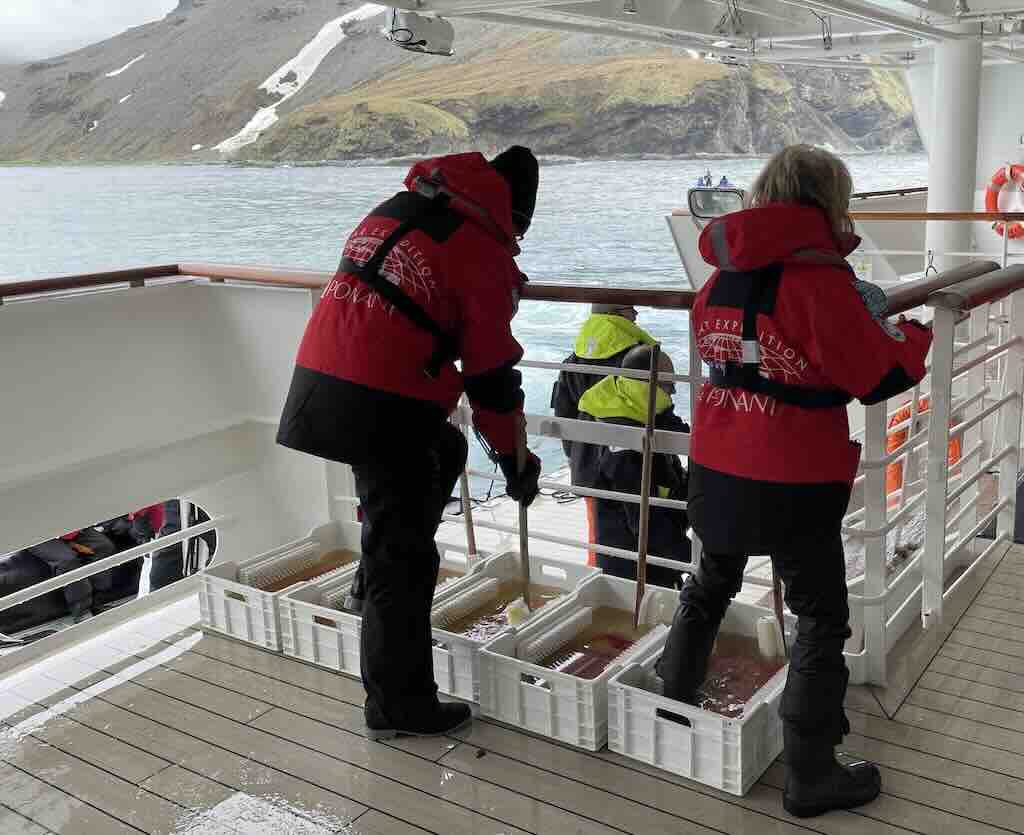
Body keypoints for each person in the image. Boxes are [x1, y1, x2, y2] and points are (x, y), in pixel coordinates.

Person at [656, 145, 931, 818]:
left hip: (717, 468)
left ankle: (671, 711)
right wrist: (913, 336)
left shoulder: (715, 280)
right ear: (827, 200)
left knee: (709, 582)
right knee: (820, 618)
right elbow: (880, 376)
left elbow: (724, 353)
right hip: (793, 481)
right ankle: (810, 774)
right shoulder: (818, 280)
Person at [277, 148, 542, 740]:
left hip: (323, 384)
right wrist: (515, 460)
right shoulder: (481, 250)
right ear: (513, 211)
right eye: (521, 226)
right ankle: (399, 706)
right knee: (406, 558)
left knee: (441, 456)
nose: (518, 237)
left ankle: (367, 588)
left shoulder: (397, 208)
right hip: (380, 401)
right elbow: (493, 378)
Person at [578, 344, 691, 587]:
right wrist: (696, 561)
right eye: (669, 384)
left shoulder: (641, 411)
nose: (672, 393)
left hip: (656, 551)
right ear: (651, 385)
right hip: (633, 569)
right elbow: (646, 523)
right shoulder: (623, 445)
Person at [550, 303, 655, 562]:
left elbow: (563, 417)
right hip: (633, 465)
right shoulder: (638, 360)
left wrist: (577, 457)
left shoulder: (572, 361)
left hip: (587, 466)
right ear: (616, 316)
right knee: (646, 533)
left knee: (599, 539)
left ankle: (603, 582)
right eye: (631, 311)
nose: (636, 317)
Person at [24, 527, 116, 622]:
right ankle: (82, 612)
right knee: (67, 560)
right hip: (37, 534)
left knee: (104, 546)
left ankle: (97, 603)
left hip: (66, 526)